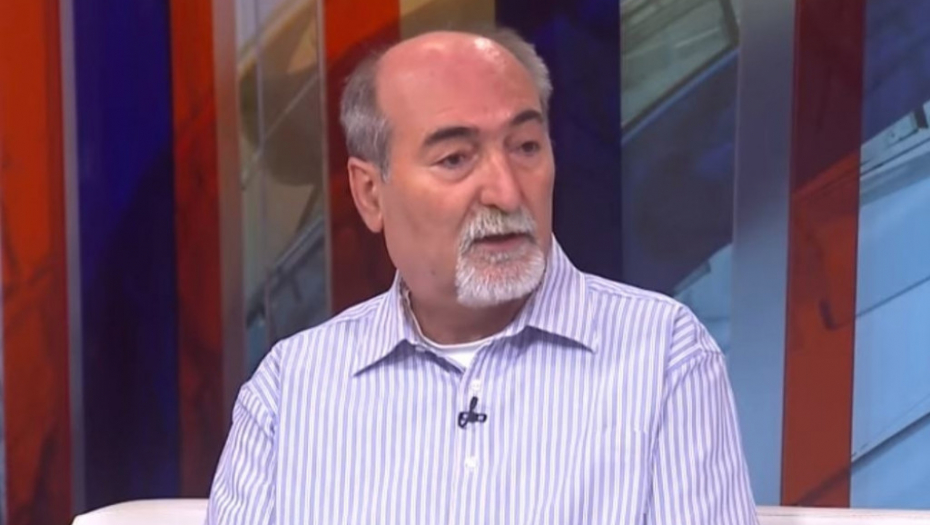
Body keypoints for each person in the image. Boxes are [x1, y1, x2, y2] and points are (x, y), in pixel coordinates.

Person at [206, 27, 759, 525]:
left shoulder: (664, 356)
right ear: (370, 193)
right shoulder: (290, 388)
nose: (507, 192)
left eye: (525, 147)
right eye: (455, 158)